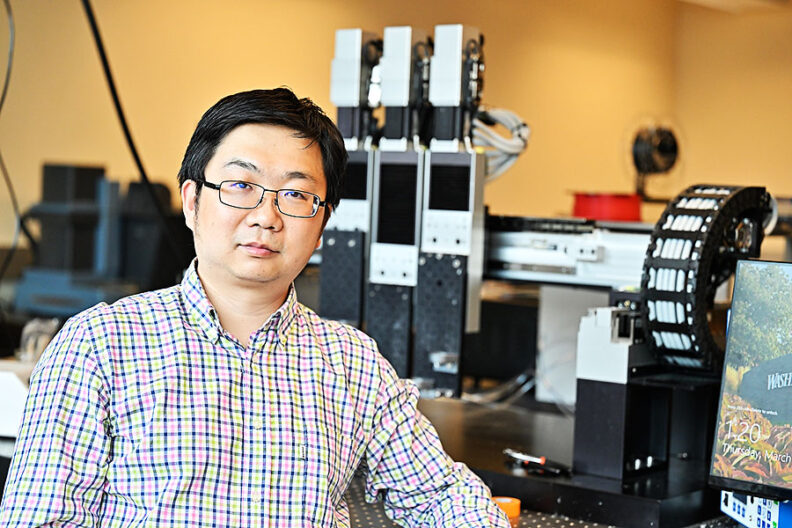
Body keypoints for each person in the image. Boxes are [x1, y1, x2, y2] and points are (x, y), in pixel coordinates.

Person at [0, 88, 509, 527]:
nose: (266, 217)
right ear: (193, 201)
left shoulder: (352, 363)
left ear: (322, 224)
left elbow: (443, 497)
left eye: (296, 194)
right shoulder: (100, 344)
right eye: (242, 186)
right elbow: (42, 517)